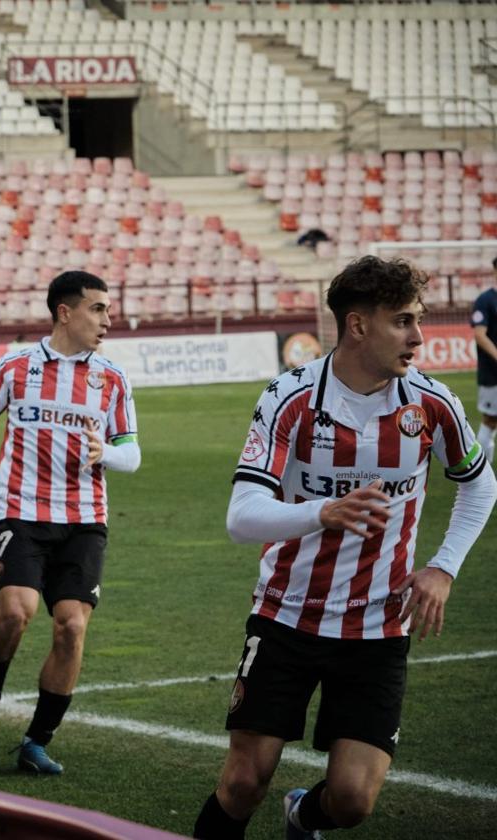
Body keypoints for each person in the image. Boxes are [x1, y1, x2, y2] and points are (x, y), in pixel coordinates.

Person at [193, 256, 496, 840]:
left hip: (379, 627)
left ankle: (301, 815)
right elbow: (241, 516)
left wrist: (444, 567)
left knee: (354, 800)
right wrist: (322, 511)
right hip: (287, 616)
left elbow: (479, 484)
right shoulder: (291, 398)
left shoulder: (433, 404)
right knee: (242, 782)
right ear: (358, 326)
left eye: (419, 319)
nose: (419, 336)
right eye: (402, 321)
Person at [0, 271, 141, 775]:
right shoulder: (16, 366)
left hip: (85, 518)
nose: (107, 321)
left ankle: (36, 741)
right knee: (16, 611)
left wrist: (108, 455)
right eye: (98, 309)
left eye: (109, 310)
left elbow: (131, 452)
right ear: (65, 312)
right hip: (23, 510)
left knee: (71, 627)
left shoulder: (112, 378)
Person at [472, 257, 497, 465]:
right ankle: (483, 470)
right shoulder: (485, 300)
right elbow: (480, 335)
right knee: (490, 421)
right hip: (493, 374)